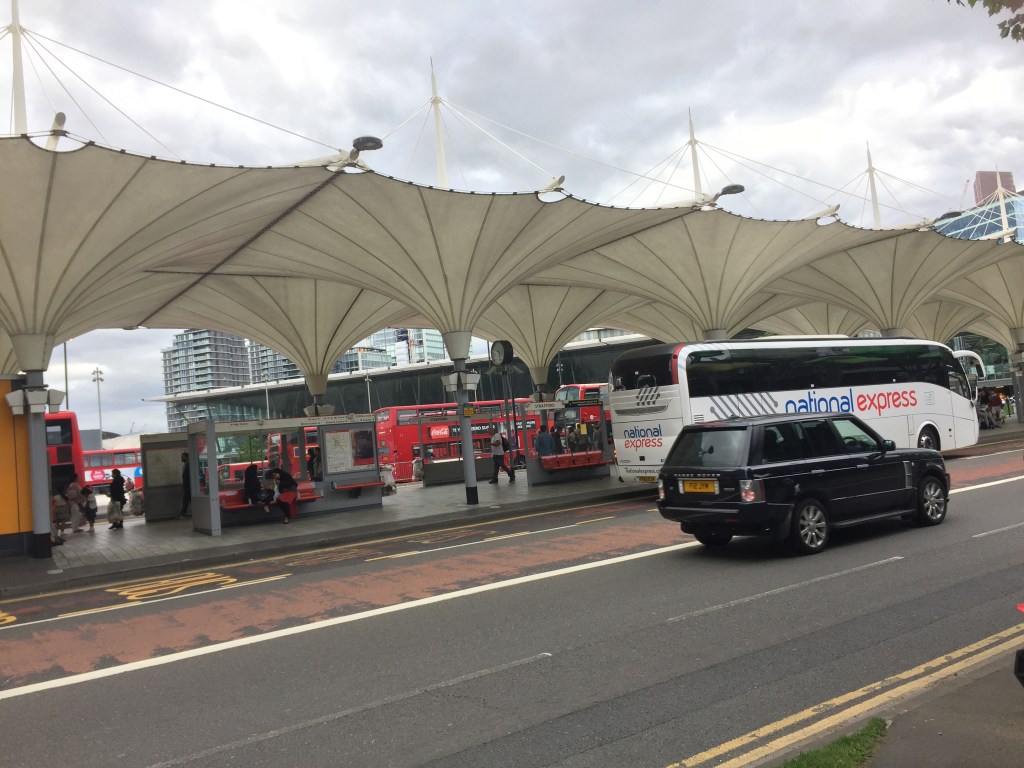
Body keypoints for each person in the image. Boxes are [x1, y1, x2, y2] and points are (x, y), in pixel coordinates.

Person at [179, 451, 192, 518]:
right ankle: (183, 513)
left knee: (186, 500)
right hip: (187, 487)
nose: (181, 458)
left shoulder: (189, 465)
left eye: (182, 457)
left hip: (189, 487)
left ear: (186, 457)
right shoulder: (186, 465)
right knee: (187, 500)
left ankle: (183, 513)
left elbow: (188, 476)